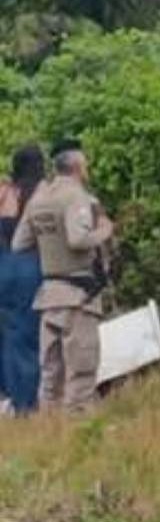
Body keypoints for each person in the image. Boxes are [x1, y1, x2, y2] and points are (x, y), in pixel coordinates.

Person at [12, 140, 113, 414]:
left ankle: (49, 434)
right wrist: (105, 230)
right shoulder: (77, 197)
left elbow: (19, 243)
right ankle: (78, 436)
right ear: (78, 165)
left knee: (50, 377)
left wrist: (48, 244)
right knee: (80, 373)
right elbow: (78, 239)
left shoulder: (39, 199)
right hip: (78, 296)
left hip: (48, 297)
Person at [0, 146, 45, 414]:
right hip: (34, 266)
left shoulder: (9, 190)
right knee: (39, 336)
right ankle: (32, 401)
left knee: (13, 337)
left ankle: (18, 400)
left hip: (7, 268)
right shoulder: (45, 191)